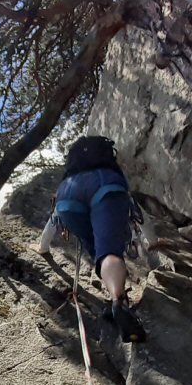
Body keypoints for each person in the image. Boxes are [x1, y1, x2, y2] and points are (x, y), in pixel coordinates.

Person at [37, 135, 147, 343]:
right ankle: (118, 302)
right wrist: (154, 241)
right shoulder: (109, 172)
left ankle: (117, 300)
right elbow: (139, 213)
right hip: (105, 186)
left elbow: (54, 220)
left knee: (97, 251)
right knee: (109, 252)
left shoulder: (66, 181)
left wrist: (42, 247)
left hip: (66, 199)